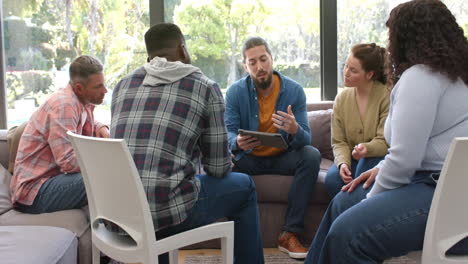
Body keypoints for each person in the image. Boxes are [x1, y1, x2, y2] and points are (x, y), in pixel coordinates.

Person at [305, 0, 468, 263]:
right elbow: (437, 144)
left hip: (443, 194)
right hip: (445, 183)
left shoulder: (420, 78)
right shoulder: (455, 76)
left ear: (405, 38)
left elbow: (404, 160)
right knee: (342, 202)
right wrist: (381, 170)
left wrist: (371, 200)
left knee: (348, 234)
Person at [110, 23, 264, 264]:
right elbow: (218, 168)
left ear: (149, 57)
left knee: (158, 188)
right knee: (244, 188)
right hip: (163, 213)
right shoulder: (204, 86)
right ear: (183, 49)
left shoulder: (122, 86)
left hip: (119, 214)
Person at [225, 36, 321, 259]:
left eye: (263, 59)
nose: (260, 67)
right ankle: (234, 234)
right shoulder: (235, 92)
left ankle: (289, 234)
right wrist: (236, 142)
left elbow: (306, 139)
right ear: (245, 66)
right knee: (223, 161)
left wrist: (295, 129)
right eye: (253, 63)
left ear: (271, 58)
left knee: (311, 155)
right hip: (248, 158)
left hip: (283, 157)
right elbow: (228, 131)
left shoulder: (294, 91)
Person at [10, 55, 109, 214]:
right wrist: (105, 161)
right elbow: (68, 162)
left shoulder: (82, 101)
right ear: (79, 88)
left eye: (104, 84)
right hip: (34, 192)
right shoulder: (64, 105)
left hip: (51, 181)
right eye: (98, 87)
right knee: (106, 176)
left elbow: (80, 123)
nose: (105, 91)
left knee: (108, 174)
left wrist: (101, 127)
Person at [325, 43, 390, 197]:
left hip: (376, 157)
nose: (345, 73)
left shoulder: (386, 96)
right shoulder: (341, 99)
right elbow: (339, 142)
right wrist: (343, 163)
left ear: (369, 74)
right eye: (346, 66)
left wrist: (367, 149)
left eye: (353, 70)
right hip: (351, 158)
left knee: (362, 169)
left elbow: (386, 140)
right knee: (332, 179)